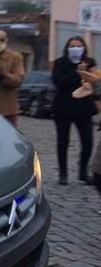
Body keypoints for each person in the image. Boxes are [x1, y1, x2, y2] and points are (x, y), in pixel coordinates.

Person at [51, 36, 98, 185]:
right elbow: (59, 82)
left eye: (78, 46)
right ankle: (63, 173)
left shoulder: (90, 62)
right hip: (63, 106)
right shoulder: (60, 62)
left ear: (84, 48)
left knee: (88, 141)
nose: (75, 49)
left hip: (83, 107)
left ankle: (83, 172)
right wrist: (77, 72)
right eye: (72, 46)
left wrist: (87, 75)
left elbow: (95, 82)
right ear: (67, 48)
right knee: (63, 141)